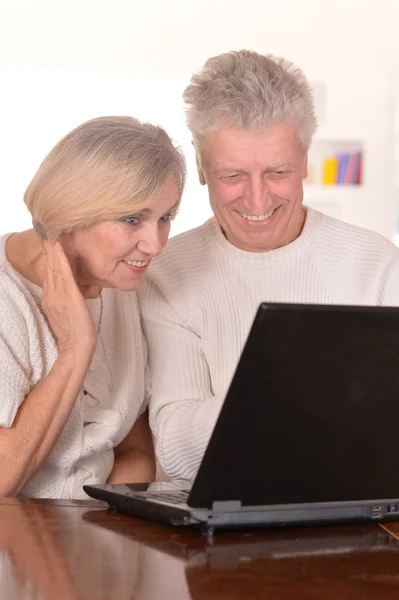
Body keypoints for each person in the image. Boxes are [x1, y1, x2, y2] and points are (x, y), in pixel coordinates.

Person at [138, 49, 399, 481]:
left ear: (304, 162)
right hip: (221, 526)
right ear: (202, 169)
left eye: (278, 172)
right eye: (232, 176)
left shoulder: (377, 264)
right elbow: (179, 449)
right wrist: (311, 401)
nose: (257, 201)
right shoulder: (167, 272)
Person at [0, 115, 185, 498]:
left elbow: (133, 449)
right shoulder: (8, 300)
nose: (155, 244)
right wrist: (75, 349)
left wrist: (102, 533)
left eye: (165, 218)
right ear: (69, 215)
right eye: (132, 218)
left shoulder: (125, 285)